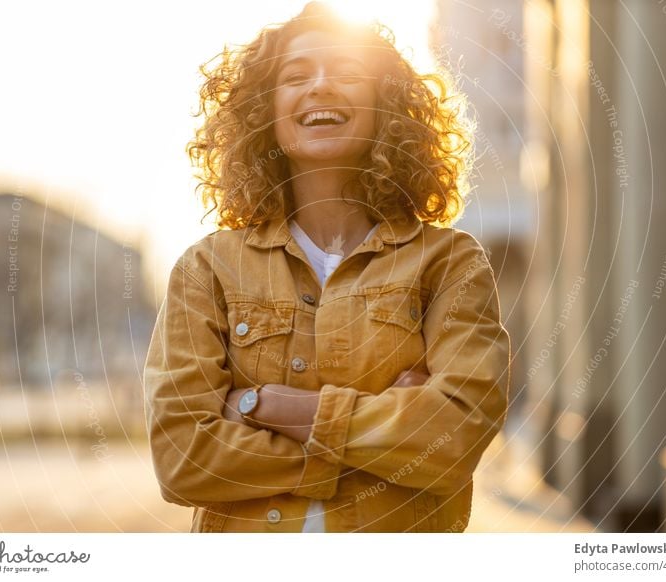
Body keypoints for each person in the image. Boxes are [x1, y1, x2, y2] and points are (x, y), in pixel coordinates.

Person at [144, 1, 510, 533]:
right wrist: (376, 438)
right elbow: (183, 459)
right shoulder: (208, 269)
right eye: (296, 76)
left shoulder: (449, 262)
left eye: (346, 74)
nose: (320, 87)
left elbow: (451, 438)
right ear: (265, 111)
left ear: (385, 104)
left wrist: (261, 405)